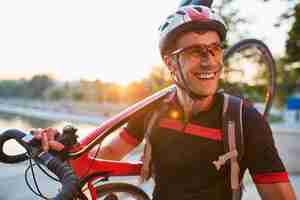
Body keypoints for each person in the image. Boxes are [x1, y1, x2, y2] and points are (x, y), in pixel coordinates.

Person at [34, 3, 296, 200]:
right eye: (195, 51)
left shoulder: (244, 119)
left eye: (214, 48)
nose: (209, 60)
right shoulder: (154, 110)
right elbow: (104, 156)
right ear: (171, 63)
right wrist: (63, 147)